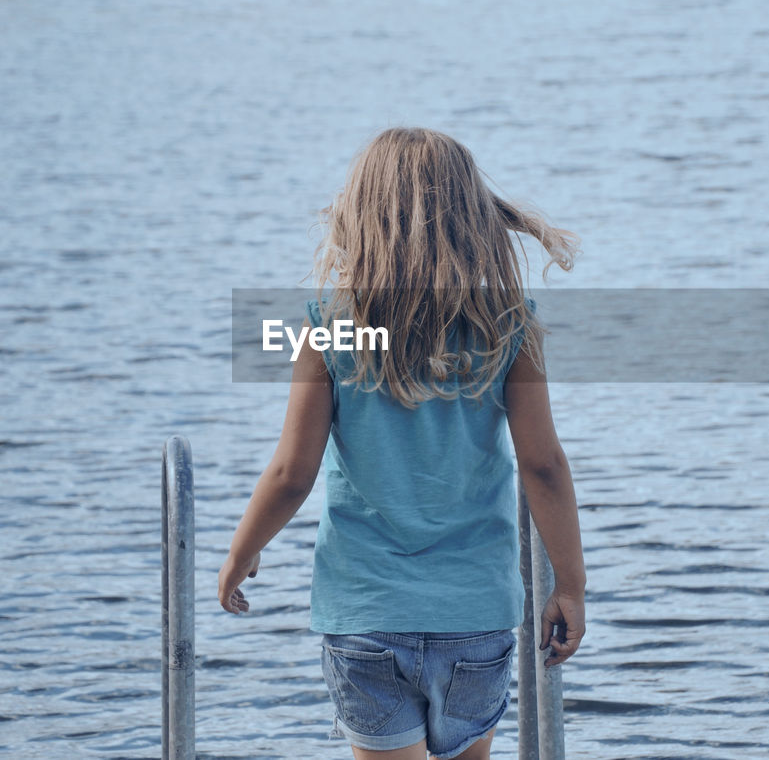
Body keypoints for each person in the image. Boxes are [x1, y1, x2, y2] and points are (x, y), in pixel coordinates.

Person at [217, 127, 585, 760]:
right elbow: (543, 466)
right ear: (473, 220)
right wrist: (571, 584)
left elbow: (290, 474)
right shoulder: (508, 328)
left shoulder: (329, 331)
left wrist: (242, 551)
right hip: (474, 611)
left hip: (366, 611)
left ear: (362, 220)